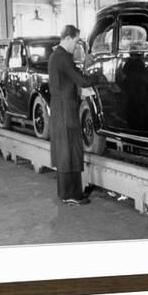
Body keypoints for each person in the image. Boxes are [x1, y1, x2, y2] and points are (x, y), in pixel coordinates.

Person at [48, 25, 99, 206]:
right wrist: (99, 75)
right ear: (68, 38)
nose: (76, 46)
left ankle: (67, 192)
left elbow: (68, 82)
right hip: (65, 111)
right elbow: (82, 80)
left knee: (65, 151)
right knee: (70, 150)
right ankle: (72, 194)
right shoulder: (63, 58)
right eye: (76, 41)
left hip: (60, 109)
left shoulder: (56, 56)